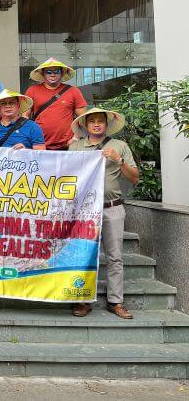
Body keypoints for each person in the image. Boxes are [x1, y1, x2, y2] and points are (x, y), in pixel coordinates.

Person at [69, 108, 139, 320]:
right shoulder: (75, 147)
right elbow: (67, 176)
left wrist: (119, 160)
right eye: (93, 121)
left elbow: (134, 178)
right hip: (84, 210)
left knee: (115, 257)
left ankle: (115, 301)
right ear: (85, 125)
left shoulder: (120, 146)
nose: (97, 124)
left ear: (107, 124)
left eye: (101, 121)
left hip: (112, 208)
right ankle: (81, 299)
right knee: (83, 255)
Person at [25, 58, 87, 150]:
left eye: (56, 71)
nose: (53, 75)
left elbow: (83, 118)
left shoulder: (73, 91)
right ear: (43, 74)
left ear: (62, 73)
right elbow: (24, 117)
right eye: (49, 72)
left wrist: (76, 138)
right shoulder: (32, 90)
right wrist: (28, 138)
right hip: (39, 144)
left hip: (67, 144)